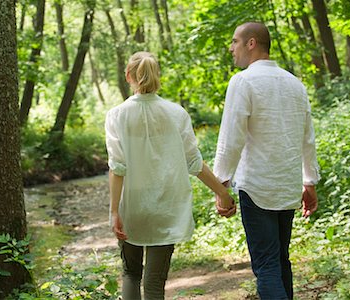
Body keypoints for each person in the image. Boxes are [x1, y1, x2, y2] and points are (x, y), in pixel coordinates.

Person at [105, 51, 236, 300]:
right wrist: (223, 194)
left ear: (128, 76)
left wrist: (114, 212)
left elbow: (118, 167)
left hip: (132, 205)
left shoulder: (117, 116)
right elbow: (194, 162)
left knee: (131, 274)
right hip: (166, 205)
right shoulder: (176, 113)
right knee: (154, 282)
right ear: (158, 76)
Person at [213, 22, 320, 300]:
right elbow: (307, 138)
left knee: (267, 267)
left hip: (257, 187)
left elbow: (231, 137)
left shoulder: (243, 81)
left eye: (235, 41)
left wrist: (219, 185)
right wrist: (309, 181)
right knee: (280, 261)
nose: (231, 48)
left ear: (251, 43)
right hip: (286, 186)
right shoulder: (295, 84)